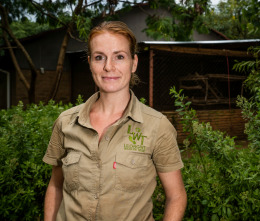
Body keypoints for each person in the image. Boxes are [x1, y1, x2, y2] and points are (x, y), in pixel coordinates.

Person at [43, 21, 187, 221]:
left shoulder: (157, 126)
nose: (108, 67)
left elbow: (176, 196)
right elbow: (56, 185)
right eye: (99, 57)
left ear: (133, 63)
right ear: (90, 63)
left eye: (119, 57)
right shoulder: (65, 122)